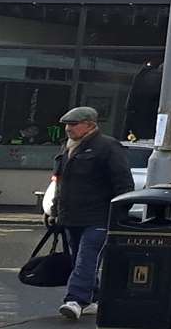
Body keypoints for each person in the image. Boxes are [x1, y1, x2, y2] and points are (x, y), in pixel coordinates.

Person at [48, 106, 134, 321]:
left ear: (90, 124)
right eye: (67, 124)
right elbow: (61, 184)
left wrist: (119, 214)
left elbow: (123, 183)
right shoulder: (67, 148)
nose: (68, 128)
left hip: (99, 216)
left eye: (73, 124)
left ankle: (75, 300)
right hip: (71, 216)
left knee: (86, 258)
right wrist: (55, 211)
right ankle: (93, 298)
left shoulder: (107, 146)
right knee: (80, 258)